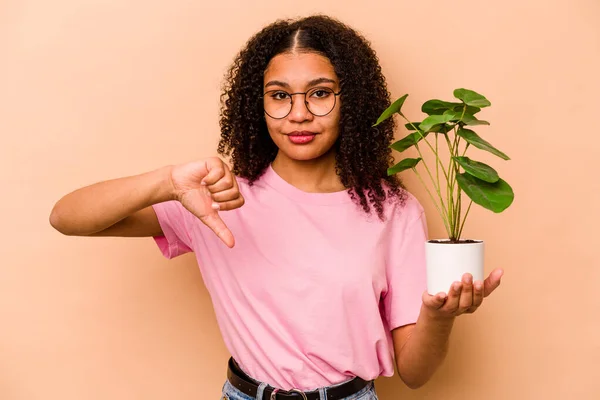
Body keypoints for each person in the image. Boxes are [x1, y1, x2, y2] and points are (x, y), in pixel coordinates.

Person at [49, 14, 503, 400]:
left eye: (321, 93)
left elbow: (415, 373)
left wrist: (439, 319)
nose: (299, 113)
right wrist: (167, 181)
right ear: (258, 105)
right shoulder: (215, 196)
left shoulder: (393, 211)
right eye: (280, 96)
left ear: (353, 102)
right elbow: (67, 218)